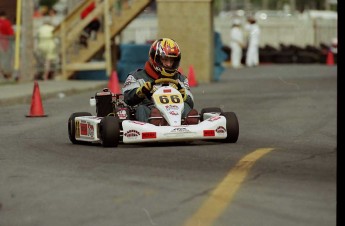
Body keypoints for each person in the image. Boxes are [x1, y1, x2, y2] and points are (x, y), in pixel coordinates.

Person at [122, 38, 198, 126]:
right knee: (141, 108)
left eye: (171, 60)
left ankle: (188, 123)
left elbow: (191, 103)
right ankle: (155, 122)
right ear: (154, 58)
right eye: (165, 59)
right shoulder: (136, 77)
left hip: (176, 112)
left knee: (186, 105)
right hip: (150, 110)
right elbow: (127, 98)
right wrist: (140, 92)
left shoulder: (181, 79)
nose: (169, 64)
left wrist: (184, 96)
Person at [0, 11, 15, 79]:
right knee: (6, 58)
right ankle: (6, 72)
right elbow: (11, 33)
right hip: (5, 42)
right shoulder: (6, 22)